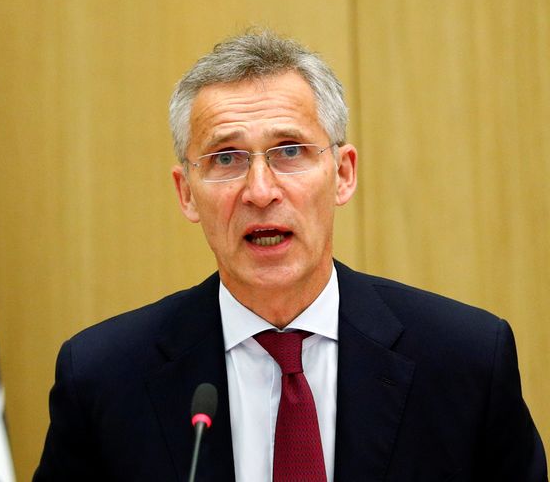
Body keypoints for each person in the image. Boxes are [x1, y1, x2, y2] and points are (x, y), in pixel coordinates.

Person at [33, 30, 546, 481]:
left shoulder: (466, 361)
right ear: (186, 192)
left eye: (290, 151)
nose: (260, 191)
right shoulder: (103, 379)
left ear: (343, 174)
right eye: (226, 158)